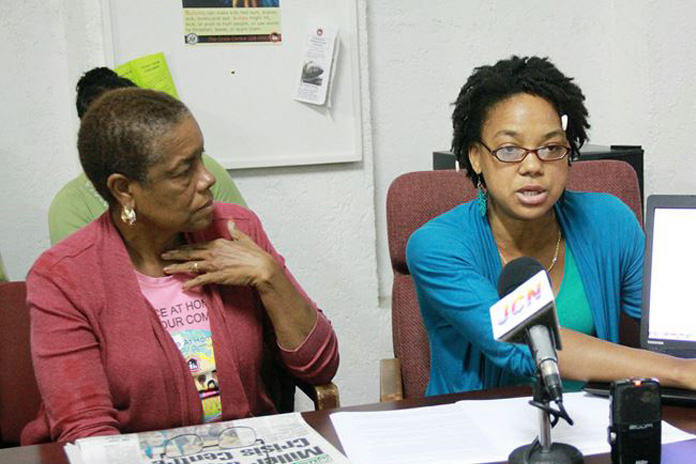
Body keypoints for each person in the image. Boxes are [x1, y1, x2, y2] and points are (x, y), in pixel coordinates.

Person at [22, 88, 339, 444]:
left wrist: (271, 277)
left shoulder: (236, 230)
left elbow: (319, 367)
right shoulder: (64, 277)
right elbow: (87, 433)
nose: (208, 179)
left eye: (201, 159)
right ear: (124, 189)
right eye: (183, 171)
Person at [406, 55, 696, 397]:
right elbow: (523, 345)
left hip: (596, 427)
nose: (532, 166)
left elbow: (671, 326)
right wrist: (682, 372)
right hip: (481, 437)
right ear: (475, 156)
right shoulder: (437, 245)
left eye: (551, 147)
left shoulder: (609, 220)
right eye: (510, 149)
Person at [48, 67, 246, 245]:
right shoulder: (70, 205)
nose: (207, 179)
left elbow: (246, 246)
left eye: (142, 120)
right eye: (182, 173)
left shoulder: (204, 169)